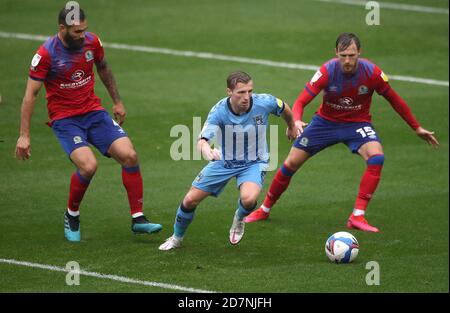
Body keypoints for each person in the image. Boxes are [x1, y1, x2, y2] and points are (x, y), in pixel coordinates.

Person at [244, 33, 439, 232]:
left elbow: (395, 100)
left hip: (357, 124)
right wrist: (296, 121)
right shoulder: (327, 71)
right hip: (325, 123)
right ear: (336, 53)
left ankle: (357, 216)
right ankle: (264, 209)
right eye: (343, 55)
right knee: (291, 163)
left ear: (359, 53)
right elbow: (301, 101)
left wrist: (416, 127)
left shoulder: (372, 73)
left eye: (352, 55)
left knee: (376, 157)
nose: (347, 60)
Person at [15, 7, 162, 242]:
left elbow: (103, 68)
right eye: (77, 31)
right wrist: (24, 135)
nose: (83, 35)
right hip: (66, 120)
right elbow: (30, 95)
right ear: (62, 29)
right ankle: (72, 214)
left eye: (84, 29)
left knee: (130, 155)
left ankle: (138, 218)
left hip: (94, 113)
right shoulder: (46, 55)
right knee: (88, 166)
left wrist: (117, 101)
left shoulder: (92, 42)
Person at [159, 71, 299, 250]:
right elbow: (202, 141)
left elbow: (284, 107)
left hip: (253, 162)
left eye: (249, 91)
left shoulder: (264, 102)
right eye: (241, 92)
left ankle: (239, 218)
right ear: (229, 92)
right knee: (189, 200)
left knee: (249, 200)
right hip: (224, 161)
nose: (247, 97)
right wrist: (207, 150)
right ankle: (176, 238)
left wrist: (291, 126)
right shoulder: (218, 111)